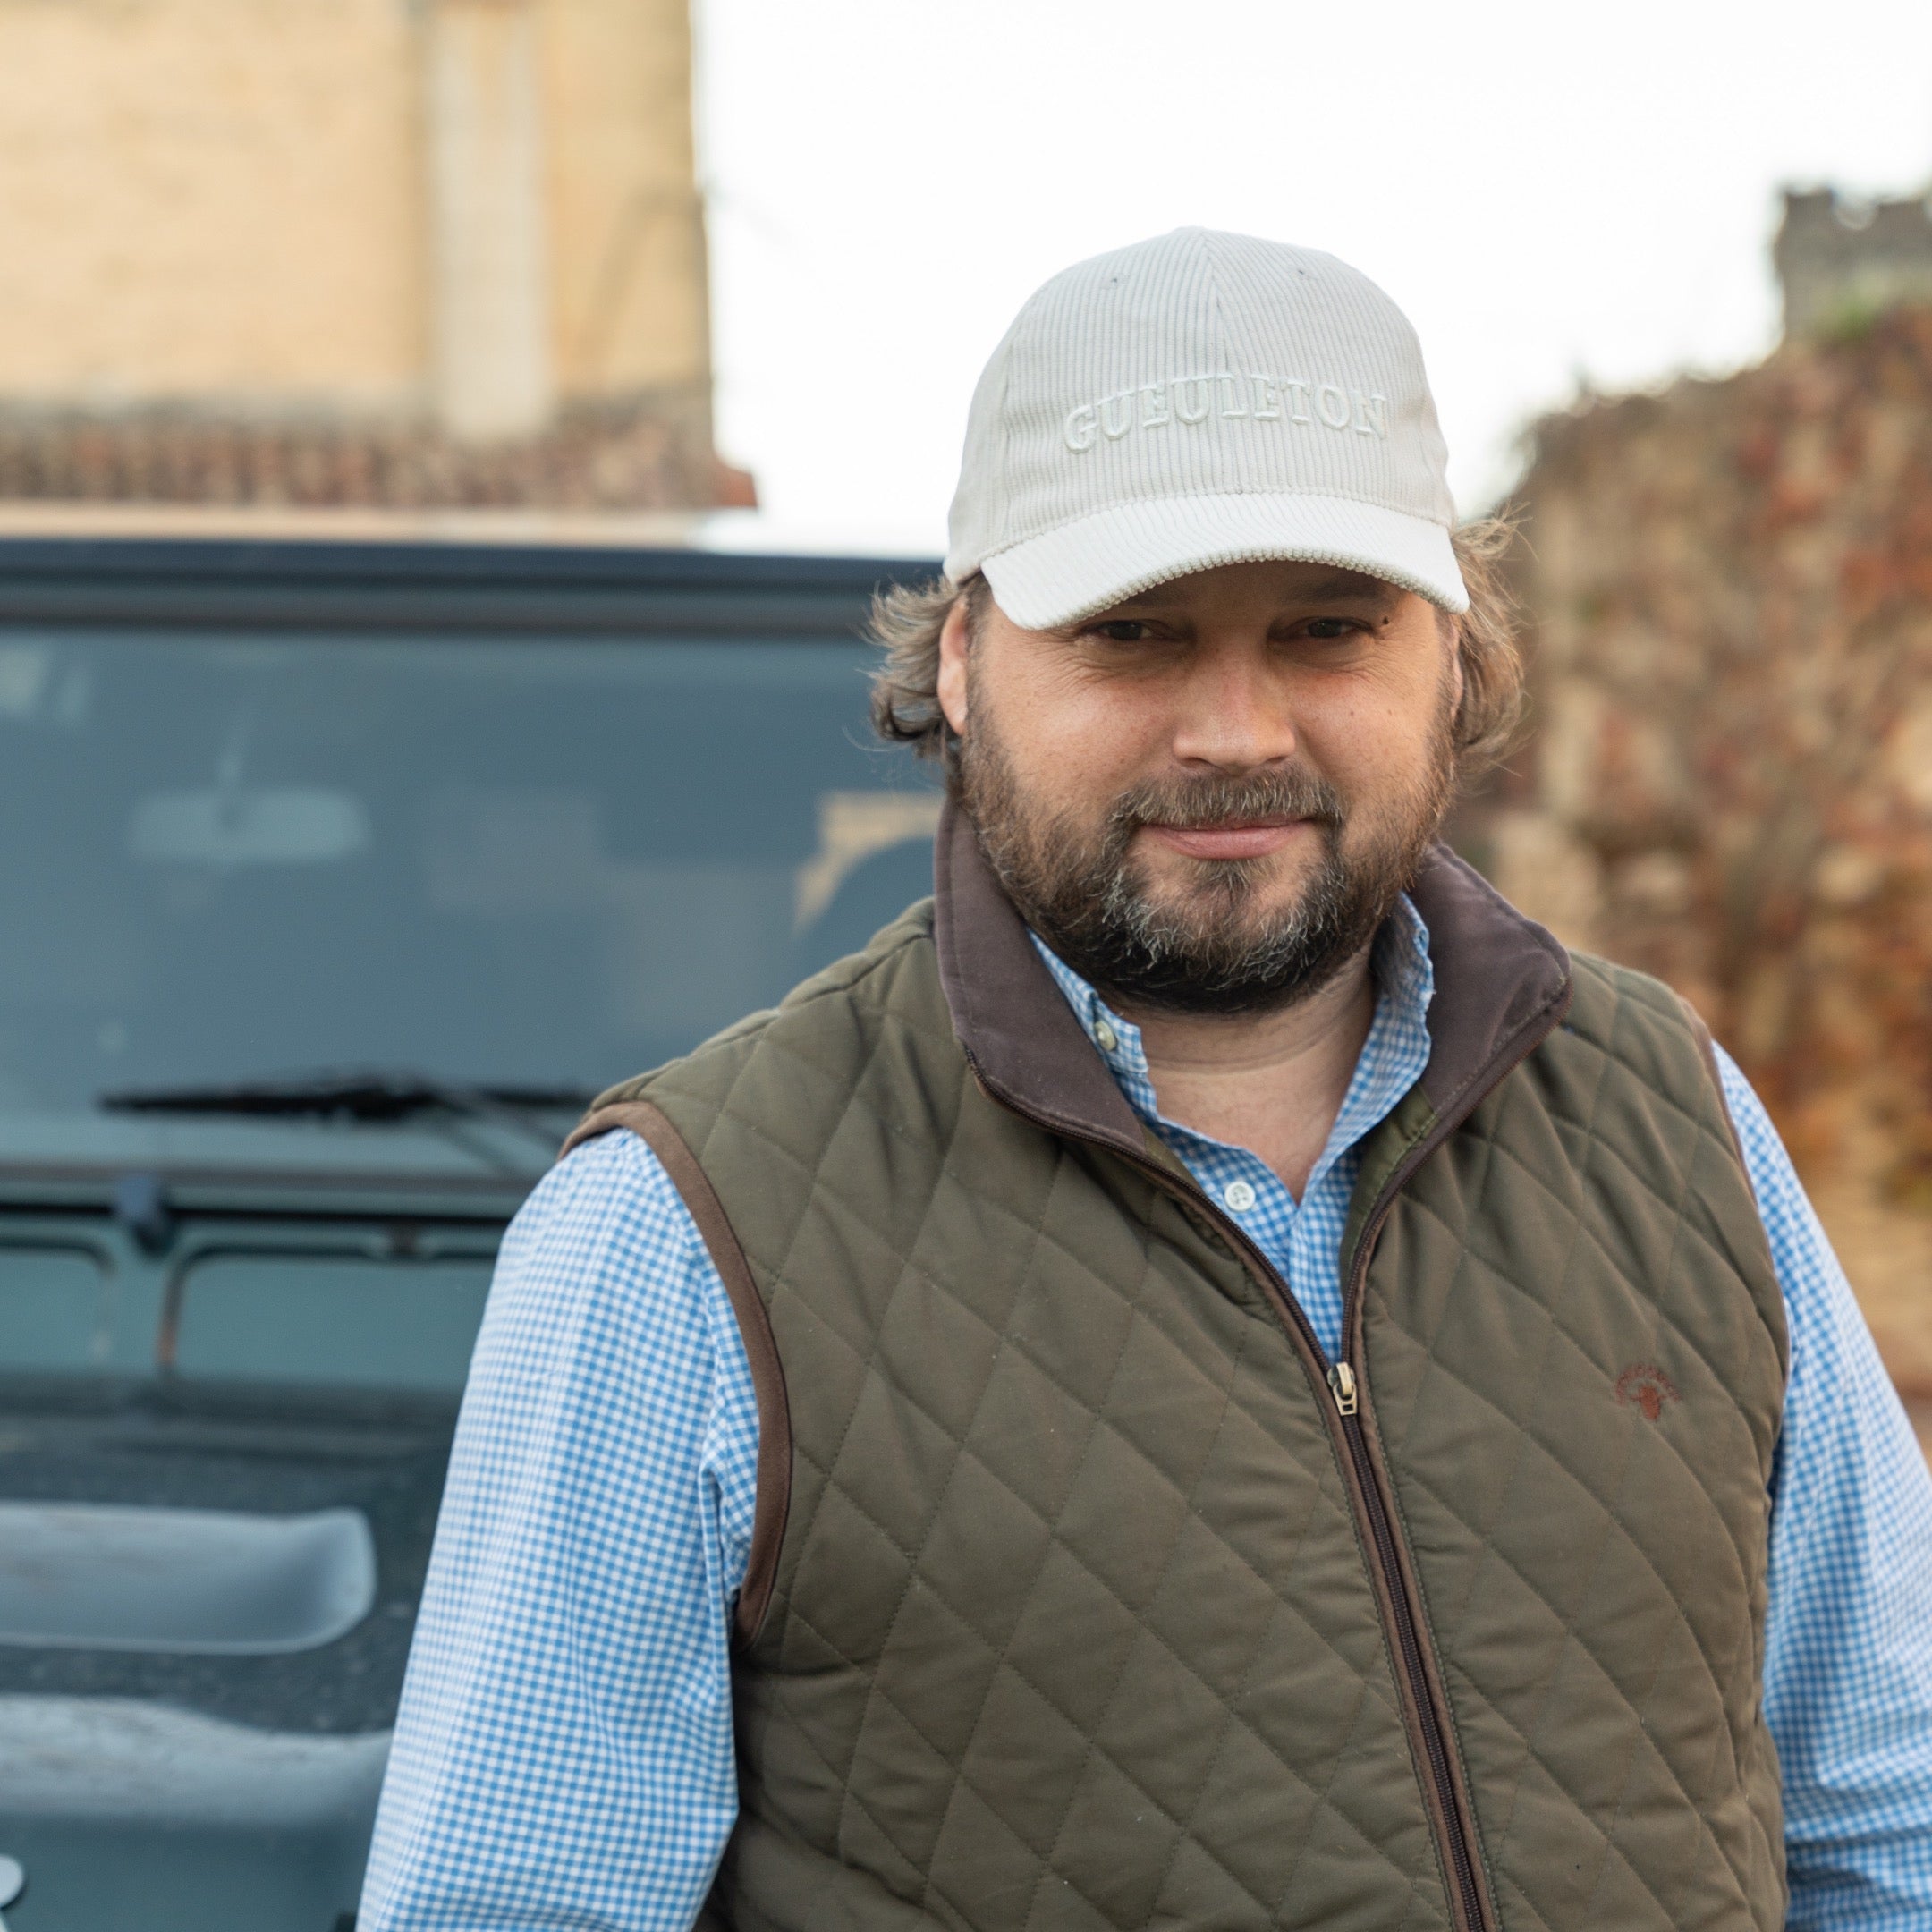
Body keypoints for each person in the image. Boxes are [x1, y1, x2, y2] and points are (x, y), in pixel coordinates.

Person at [359, 231, 1932, 1932]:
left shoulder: (1672, 1116)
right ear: (961, 661)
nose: (1238, 729)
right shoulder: (676, 1238)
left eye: (1328, 628)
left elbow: (1889, 1818)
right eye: (1135, 635)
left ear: (1455, 656)